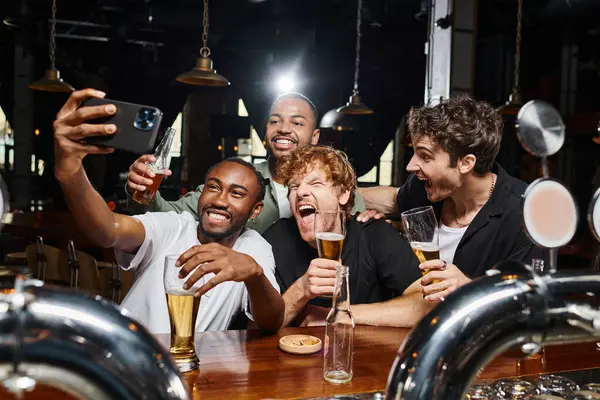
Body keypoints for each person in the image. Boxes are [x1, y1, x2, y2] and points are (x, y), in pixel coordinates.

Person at [53, 89, 284, 334]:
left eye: (236, 194)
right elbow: (108, 231)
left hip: (189, 368)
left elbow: (271, 322)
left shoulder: (253, 248)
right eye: (213, 188)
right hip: (127, 351)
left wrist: (254, 275)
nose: (220, 200)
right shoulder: (173, 226)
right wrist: (69, 170)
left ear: (255, 210)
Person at [357, 95, 548, 303]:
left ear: (465, 163)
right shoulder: (425, 186)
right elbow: (393, 198)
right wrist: (339, 193)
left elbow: (531, 297)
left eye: (425, 156)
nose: (411, 166)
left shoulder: (526, 213)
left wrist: (469, 286)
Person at [125, 92, 366, 233]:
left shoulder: (335, 187)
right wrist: (143, 190)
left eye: (297, 123)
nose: (284, 129)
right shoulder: (239, 180)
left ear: (315, 137)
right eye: (275, 121)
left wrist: (373, 220)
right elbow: (165, 217)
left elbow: (362, 240)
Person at [262, 145, 431, 328]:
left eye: (316, 183)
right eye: (294, 186)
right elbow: (257, 326)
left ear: (343, 194)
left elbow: (425, 305)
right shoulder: (274, 239)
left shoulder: (374, 233)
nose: (301, 192)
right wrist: (302, 289)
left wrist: (340, 315)